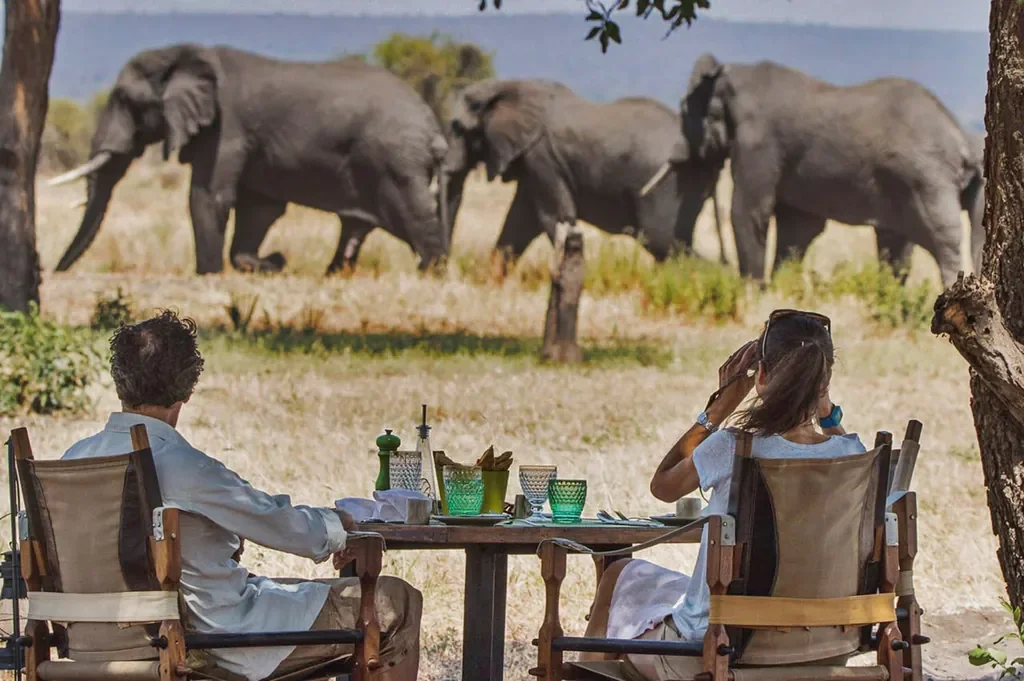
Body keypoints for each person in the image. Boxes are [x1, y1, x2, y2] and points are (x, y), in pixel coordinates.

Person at [63, 311, 421, 681]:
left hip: (88, 640)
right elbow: (279, 524)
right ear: (187, 389)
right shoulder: (184, 466)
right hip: (211, 638)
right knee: (398, 600)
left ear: (119, 380)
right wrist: (338, 525)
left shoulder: (71, 461)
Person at [583, 309, 865, 681]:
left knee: (618, 574)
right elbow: (846, 447)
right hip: (825, 650)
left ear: (760, 375)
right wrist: (828, 415)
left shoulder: (732, 446)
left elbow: (663, 486)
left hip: (718, 650)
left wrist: (719, 407)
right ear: (825, 381)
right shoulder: (853, 458)